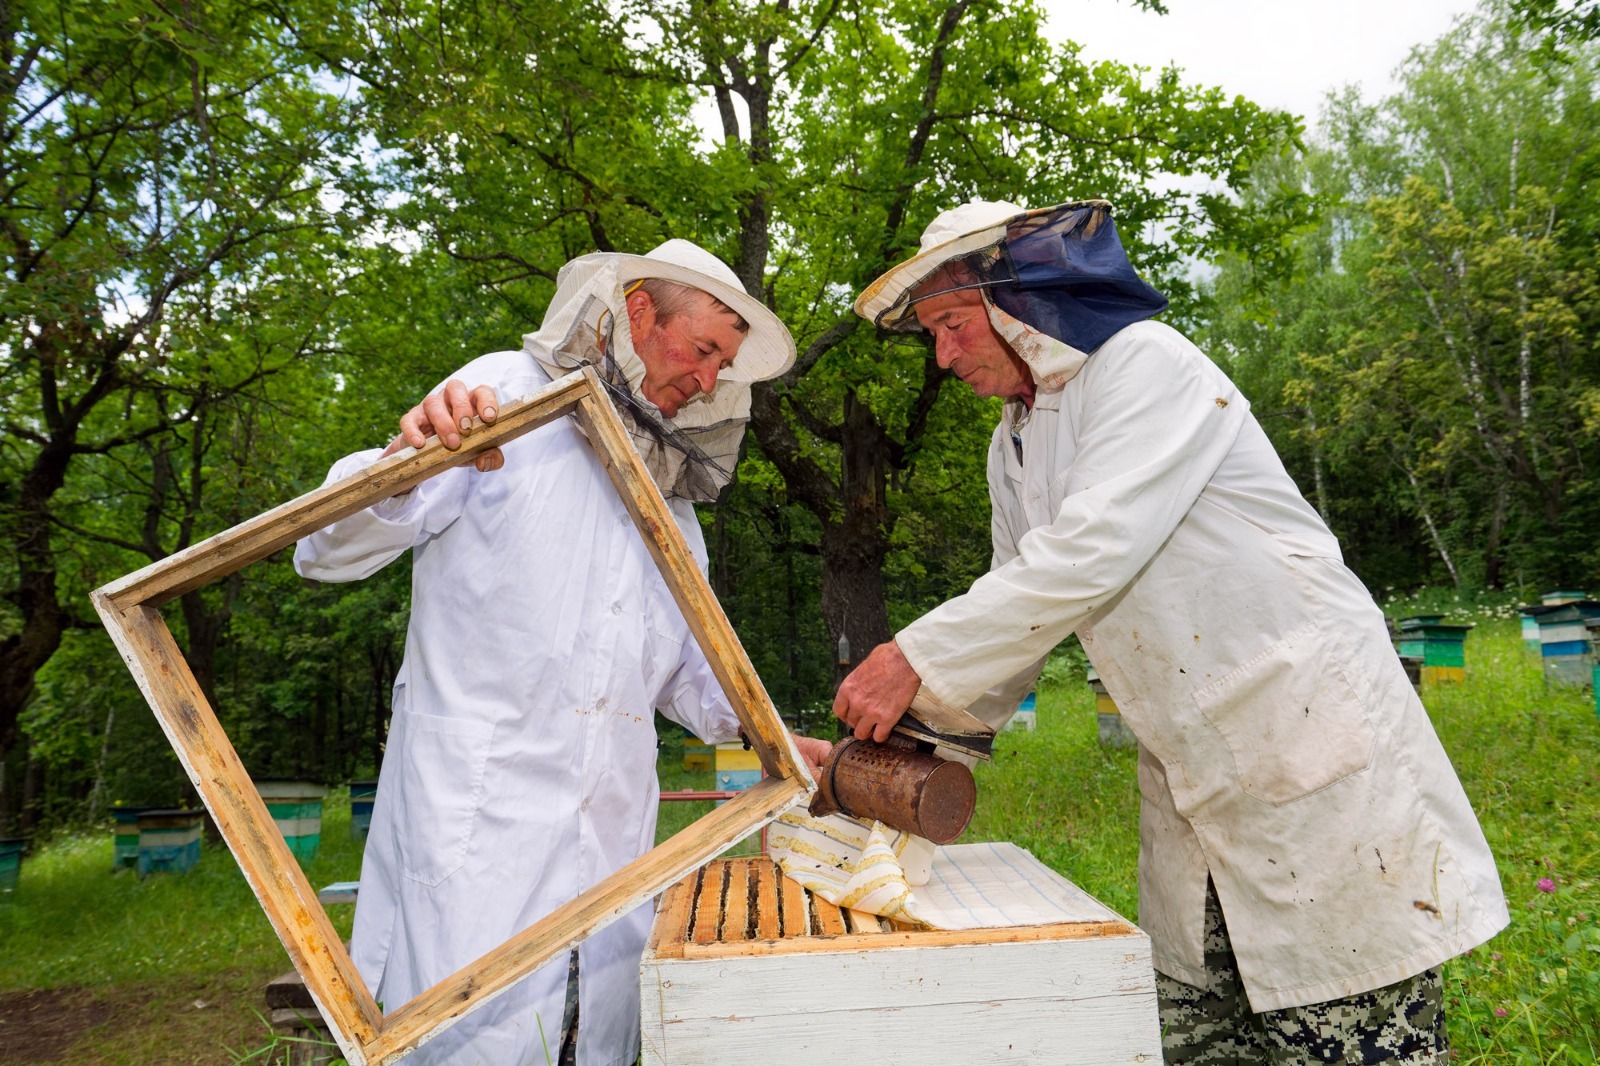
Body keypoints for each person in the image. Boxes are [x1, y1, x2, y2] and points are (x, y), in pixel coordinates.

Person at [835, 199, 1508, 1064]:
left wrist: (911, 655)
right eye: (931, 334)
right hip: (1189, 764)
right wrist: (904, 749)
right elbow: (1018, 610)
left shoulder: (1145, 367)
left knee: (1349, 1030)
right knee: (1197, 1037)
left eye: (954, 325)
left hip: (1303, 742)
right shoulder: (1014, 442)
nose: (943, 356)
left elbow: (1090, 553)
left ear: (1019, 301)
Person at [295, 239, 829, 1066]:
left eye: (725, 365)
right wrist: (402, 467)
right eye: (705, 349)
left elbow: (691, 669)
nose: (713, 379)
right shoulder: (503, 398)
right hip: (479, 819)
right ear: (640, 312)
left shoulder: (671, 500)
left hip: (612, 829)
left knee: (591, 1040)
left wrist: (773, 739)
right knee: (468, 1040)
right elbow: (324, 546)